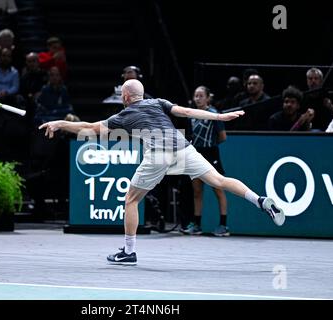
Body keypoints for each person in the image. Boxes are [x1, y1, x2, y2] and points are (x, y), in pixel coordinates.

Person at [39, 79, 285, 265]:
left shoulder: (125, 114)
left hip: (158, 152)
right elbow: (187, 112)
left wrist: (60, 123)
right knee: (218, 180)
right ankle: (260, 200)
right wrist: (218, 115)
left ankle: (128, 251)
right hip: (182, 146)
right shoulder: (158, 103)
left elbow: (90, 128)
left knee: (131, 199)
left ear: (125, 96)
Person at [181, 86, 230, 237]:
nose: (198, 98)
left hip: (211, 153)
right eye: (196, 96)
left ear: (208, 98)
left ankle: (223, 225)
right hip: (196, 154)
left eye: (201, 96)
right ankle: (196, 225)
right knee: (197, 191)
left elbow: (223, 137)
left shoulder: (214, 115)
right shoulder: (191, 115)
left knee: (218, 188)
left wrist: (209, 145)